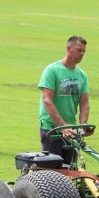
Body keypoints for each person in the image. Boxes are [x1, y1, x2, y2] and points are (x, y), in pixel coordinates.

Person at [38, 36, 90, 166]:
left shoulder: (82, 75)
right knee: (51, 172)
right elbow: (47, 100)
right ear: (68, 48)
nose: (82, 54)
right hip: (52, 130)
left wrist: (82, 128)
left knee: (70, 171)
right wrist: (62, 125)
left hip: (71, 132)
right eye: (79, 50)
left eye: (84, 51)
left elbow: (84, 104)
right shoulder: (52, 70)